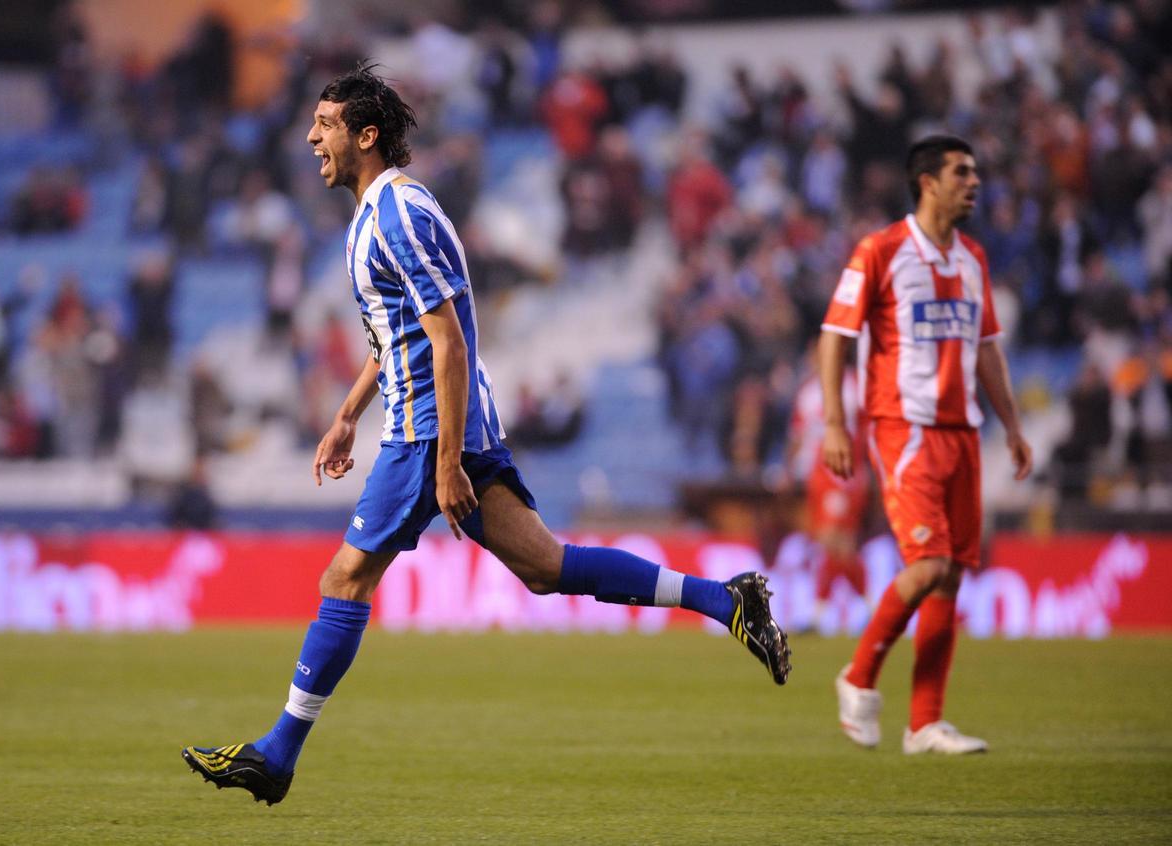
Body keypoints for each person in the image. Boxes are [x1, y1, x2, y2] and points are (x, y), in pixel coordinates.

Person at [181, 65, 791, 806]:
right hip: (441, 425)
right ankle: (728, 602)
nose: (311, 136)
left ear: (365, 136)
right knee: (544, 564)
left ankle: (277, 754)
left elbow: (449, 344)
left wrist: (442, 464)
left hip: (427, 432)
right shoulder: (377, 214)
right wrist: (346, 413)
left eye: (325, 123)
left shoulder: (398, 215)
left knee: (344, 578)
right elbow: (395, 336)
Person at [819, 135, 1032, 755]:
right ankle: (857, 679)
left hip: (963, 431)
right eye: (962, 172)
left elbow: (986, 347)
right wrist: (836, 421)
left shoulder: (973, 259)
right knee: (929, 564)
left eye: (976, 173)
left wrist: (1012, 426)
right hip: (903, 426)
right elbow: (835, 336)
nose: (974, 183)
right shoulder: (881, 251)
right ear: (927, 182)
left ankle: (925, 723)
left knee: (951, 577)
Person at [786, 342, 870, 626]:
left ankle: (823, 611)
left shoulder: (854, 385)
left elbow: (868, 429)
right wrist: (788, 469)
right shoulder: (808, 392)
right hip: (817, 474)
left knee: (837, 540)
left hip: (843, 470)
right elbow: (798, 434)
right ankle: (867, 607)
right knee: (831, 543)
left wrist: (866, 466)